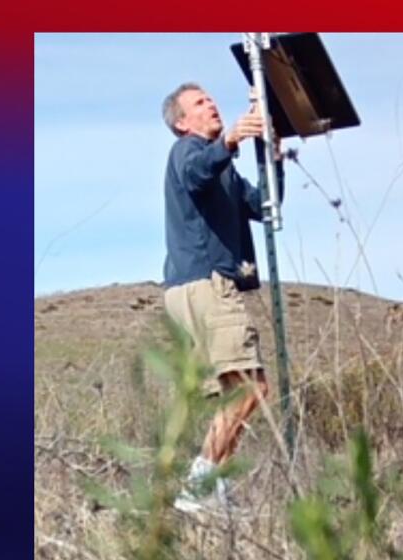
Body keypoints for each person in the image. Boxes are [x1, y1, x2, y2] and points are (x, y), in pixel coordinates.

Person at [159, 82, 284, 513]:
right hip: (206, 284)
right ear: (182, 122)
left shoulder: (223, 167)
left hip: (197, 287)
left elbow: (265, 205)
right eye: (199, 103)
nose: (211, 104)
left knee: (239, 394)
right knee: (251, 387)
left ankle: (212, 491)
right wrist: (231, 140)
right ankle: (198, 488)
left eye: (212, 98)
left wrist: (274, 155)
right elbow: (197, 174)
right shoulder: (187, 153)